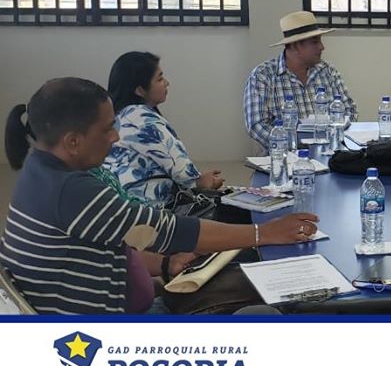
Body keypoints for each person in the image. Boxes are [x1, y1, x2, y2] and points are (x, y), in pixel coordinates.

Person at [1, 78, 318, 314]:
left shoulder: (39, 171)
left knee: (246, 277)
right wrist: (264, 233)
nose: (116, 137)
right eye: (107, 129)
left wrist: (166, 265)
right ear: (72, 142)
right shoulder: (70, 190)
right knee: (267, 309)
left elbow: (120, 237)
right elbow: (167, 229)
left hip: (135, 298)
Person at [102, 52, 223, 207]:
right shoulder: (142, 119)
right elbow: (182, 172)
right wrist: (202, 181)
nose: (166, 83)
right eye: (159, 79)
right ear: (140, 90)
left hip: (120, 202)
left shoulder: (118, 115)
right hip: (150, 208)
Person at [243, 11, 357, 150]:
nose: (322, 47)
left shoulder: (328, 72)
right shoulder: (263, 76)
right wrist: (296, 144)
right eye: (315, 42)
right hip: (284, 155)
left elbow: (350, 111)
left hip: (330, 152)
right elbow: (257, 125)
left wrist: (330, 140)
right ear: (295, 46)